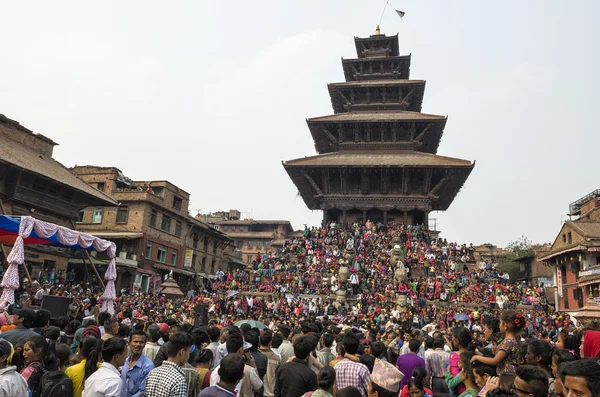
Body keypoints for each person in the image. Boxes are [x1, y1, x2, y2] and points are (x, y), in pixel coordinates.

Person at [472, 311, 524, 376]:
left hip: (507, 377)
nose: (499, 325)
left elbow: (495, 361)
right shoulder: (511, 340)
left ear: (505, 326)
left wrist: (477, 357)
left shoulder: (508, 342)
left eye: (500, 323)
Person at [211, 332, 263, 396]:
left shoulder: (216, 370)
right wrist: (254, 366)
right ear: (240, 349)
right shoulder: (248, 370)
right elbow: (258, 387)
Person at [145, 332, 194, 397]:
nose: (188, 356)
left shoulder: (152, 373)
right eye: (189, 352)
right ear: (182, 352)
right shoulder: (179, 380)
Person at [333, 332, 371, 397]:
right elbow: (369, 389)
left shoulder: (336, 366)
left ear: (343, 347)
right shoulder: (362, 368)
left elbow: (335, 388)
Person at [121, 329, 154, 397]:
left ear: (144, 344)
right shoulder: (124, 362)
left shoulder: (148, 366)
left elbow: (143, 391)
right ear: (129, 343)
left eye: (141, 342)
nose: (138, 344)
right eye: (135, 341)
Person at [259, 329, 281, 397]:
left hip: (258, 392)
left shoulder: (254, 356)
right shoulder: (277, 358)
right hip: (271, 392)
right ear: (270, 342)